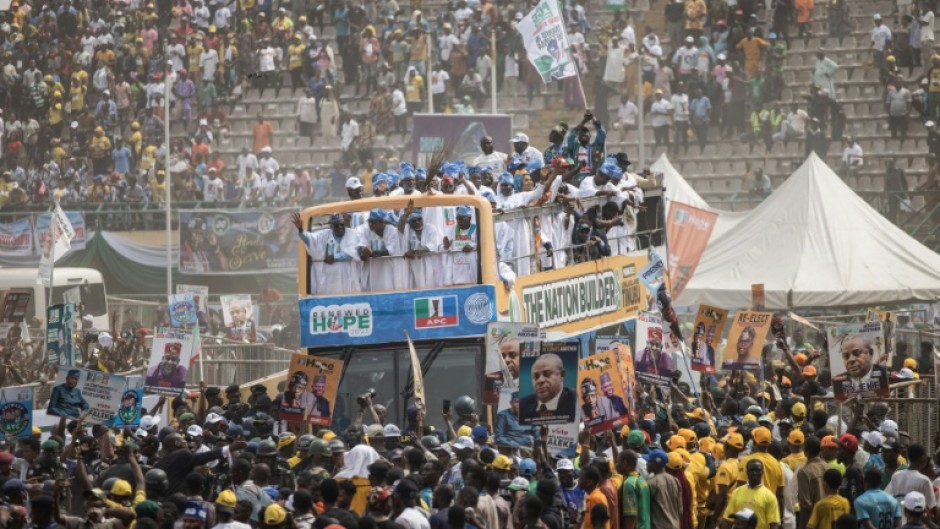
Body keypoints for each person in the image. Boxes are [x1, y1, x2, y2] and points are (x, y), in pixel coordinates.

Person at [518, 353, 577, 423]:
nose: (540, 380)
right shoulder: (522, 406)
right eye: (536, 376)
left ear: (562, 375)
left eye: (547, 374)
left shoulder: (576, 402)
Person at [721, 460, 780, 529]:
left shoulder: (770, 496)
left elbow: (774, 523)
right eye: (751, 470)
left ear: (762, 472)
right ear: (747, 472)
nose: (754, 473)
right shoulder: (737, 492)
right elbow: (728, 520)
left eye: (757, 470)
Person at [832, 333, 889, 399]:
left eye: (857, 353)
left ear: (870, 353)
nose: (851, 360)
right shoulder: (838, 381)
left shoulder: (885, 375)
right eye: (846, 356)